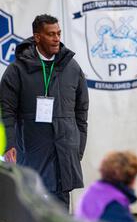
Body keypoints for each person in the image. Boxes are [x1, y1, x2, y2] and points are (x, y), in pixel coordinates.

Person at [0, 14, 89, 211]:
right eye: (51, 34)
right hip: (32, 152)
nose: (57, 38)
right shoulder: (17, 70)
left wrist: (78, 146)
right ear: (37, 37)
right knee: (31, 210)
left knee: (61, 216)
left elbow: (81, 111)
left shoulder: (72, 67)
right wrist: (9, 144)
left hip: (63, 152)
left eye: (58, 33)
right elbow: (6, 110)